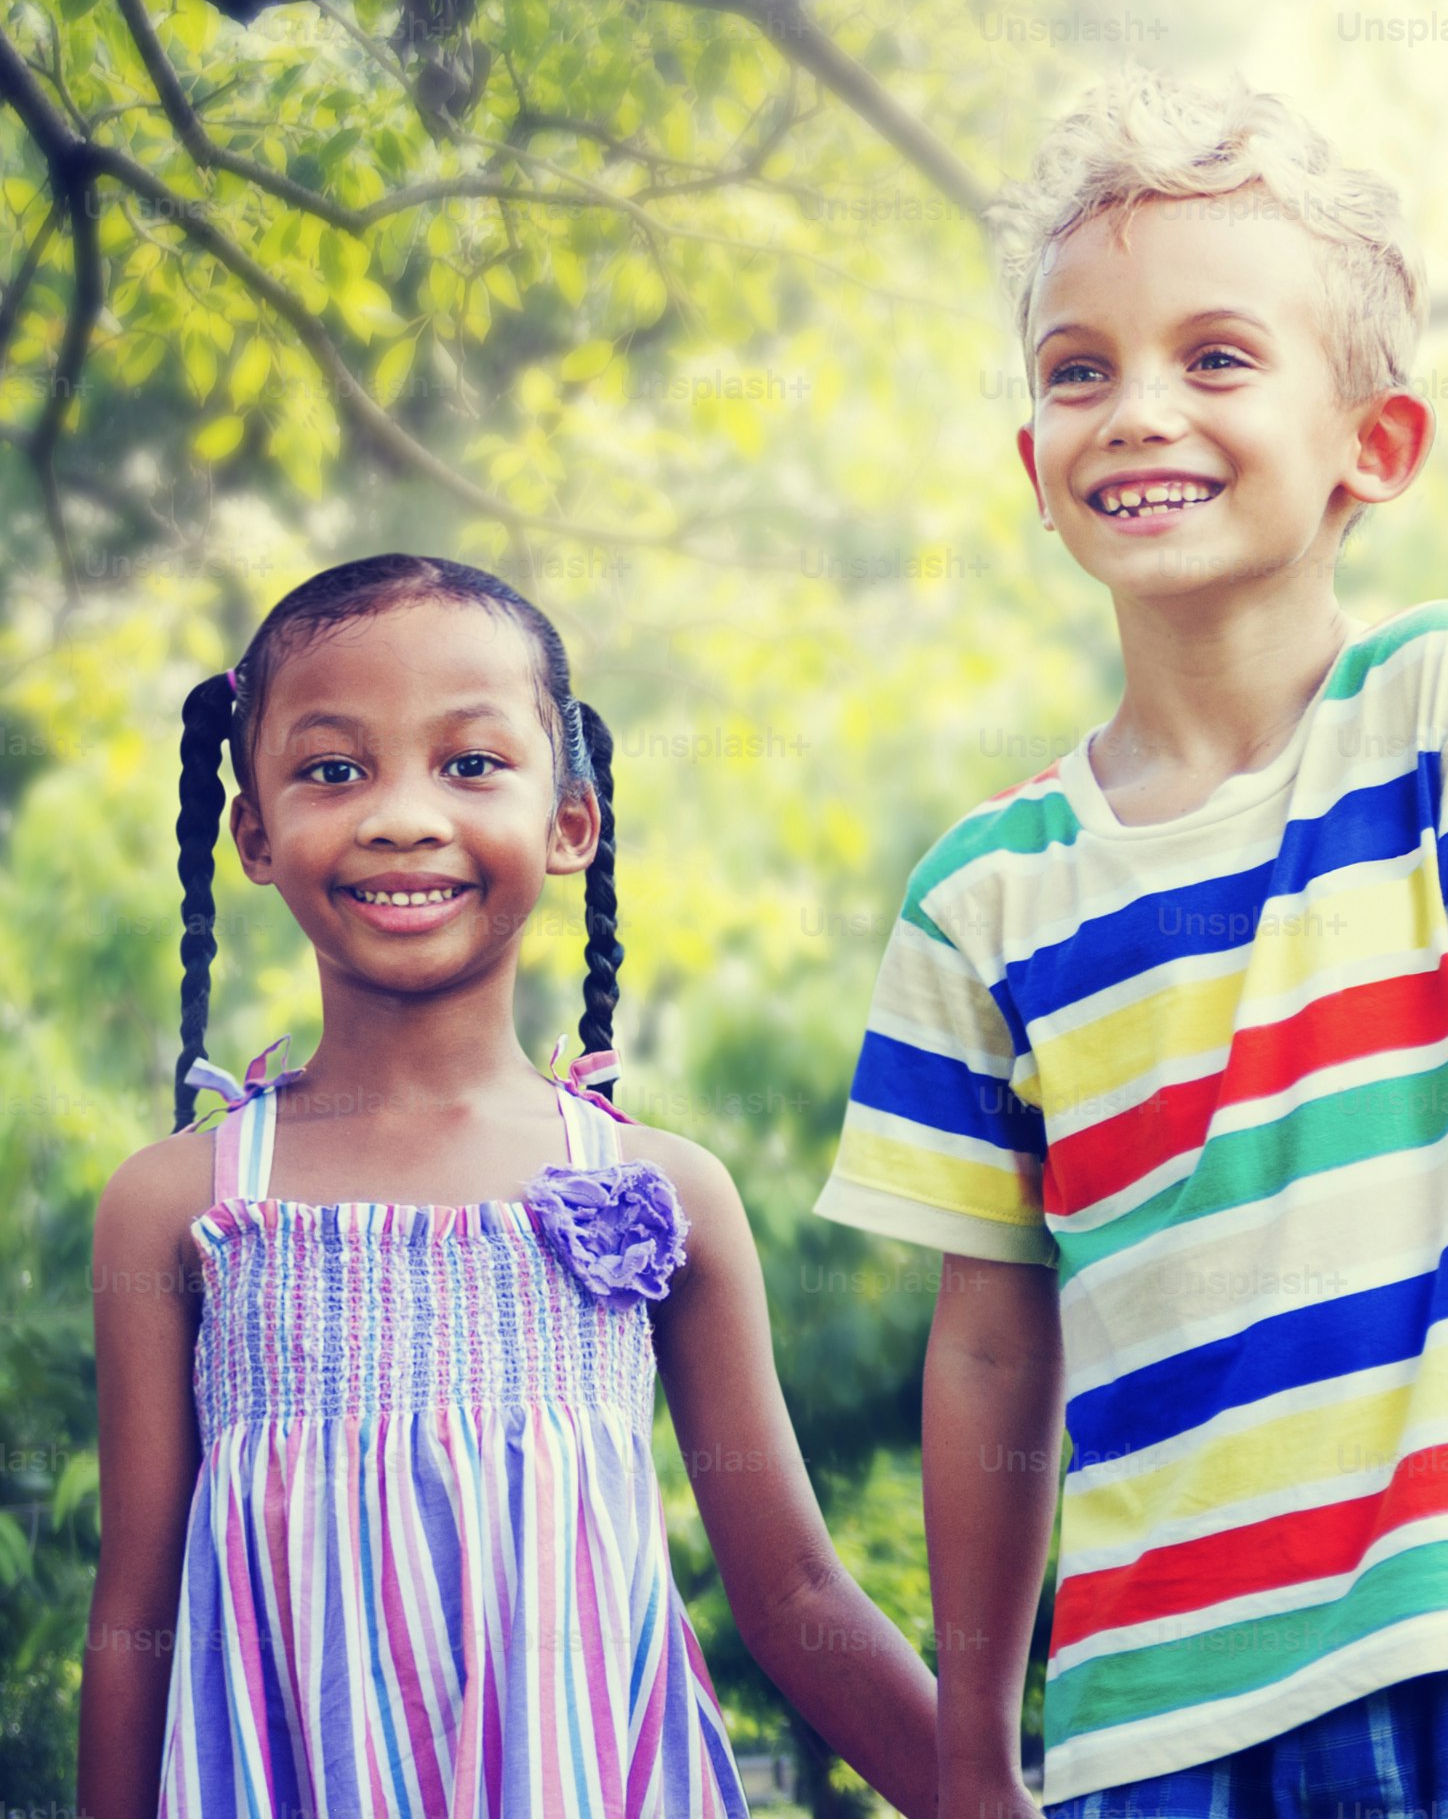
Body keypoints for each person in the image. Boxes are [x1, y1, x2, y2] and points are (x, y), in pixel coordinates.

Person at [811, 74, 1448, 1818]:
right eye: (1078, 367)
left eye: (1217, 357)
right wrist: (968, 1749)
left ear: (1372, 445)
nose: (1135, 409)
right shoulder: (980, 895)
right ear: (1034, 462)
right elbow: (987, 1341)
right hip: (1151, 1731)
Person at [78, 553, 940, 1817]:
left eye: (470, 764)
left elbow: (795, 1592)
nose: (402, 816)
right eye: (333, 770)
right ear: (251, 832)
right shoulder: (178, 1205)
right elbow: (137, 1607)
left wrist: (992, 1800)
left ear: (571, 820)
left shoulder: (663, 1189)